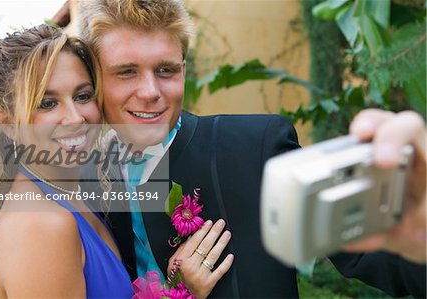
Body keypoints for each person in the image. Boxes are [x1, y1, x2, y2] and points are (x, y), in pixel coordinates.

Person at [78, 0, 426, 297]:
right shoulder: (85, 178)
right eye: (127, 72)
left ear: (184, 69)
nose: (151, 91)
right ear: (95, 80)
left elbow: (385, 253)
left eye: (166, 70)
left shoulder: (257, 146)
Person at [0, 24, 232, 298]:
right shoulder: (41, 223)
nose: (75, 117)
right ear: (6, 123)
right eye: (47, 103)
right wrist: (184, 292)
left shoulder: (68, 192)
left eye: (82, 96)